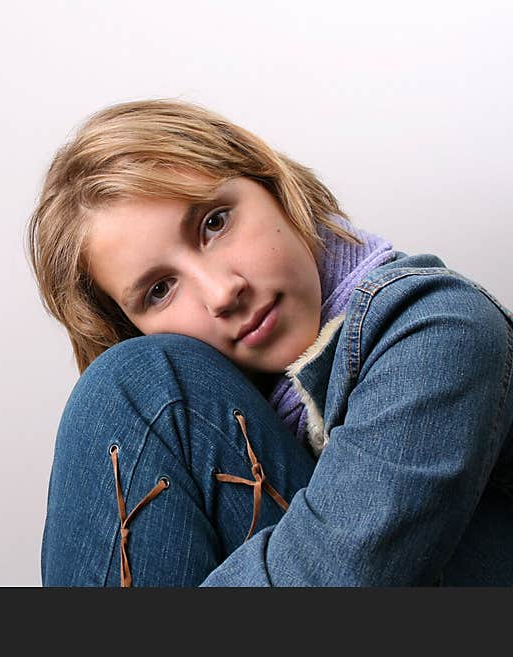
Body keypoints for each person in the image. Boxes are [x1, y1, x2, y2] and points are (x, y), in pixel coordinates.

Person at [26, 99, 513, 586]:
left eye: (214, 223)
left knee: (134, 382)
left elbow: (337, 580)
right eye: (160, 290)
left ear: (271, 185)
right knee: (128, 380)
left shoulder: (439, 327)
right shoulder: (202, 412)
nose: (222, 292)